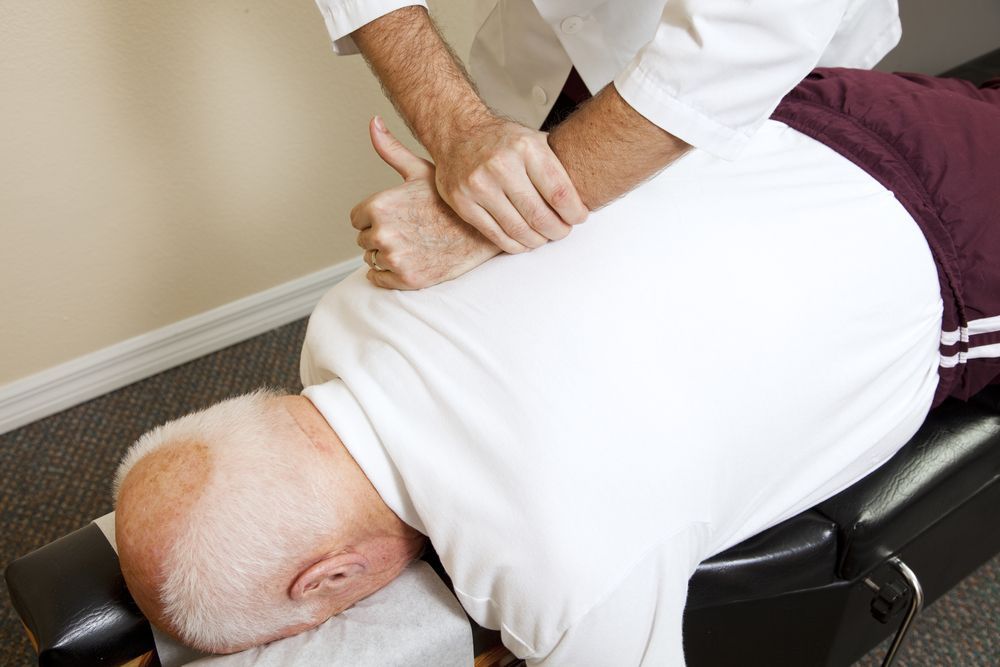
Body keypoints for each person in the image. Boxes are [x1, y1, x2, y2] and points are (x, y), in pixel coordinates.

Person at [113, 69, 1000, 664]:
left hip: (946, 230)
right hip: (780, 116)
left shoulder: (566, 574)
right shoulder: (344, 315)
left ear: (332, 579)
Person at [313, 0, 903, 288]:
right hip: (536, 70)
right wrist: (461, 133)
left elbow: (734, 41)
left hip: (744, 82)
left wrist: (484, 220)